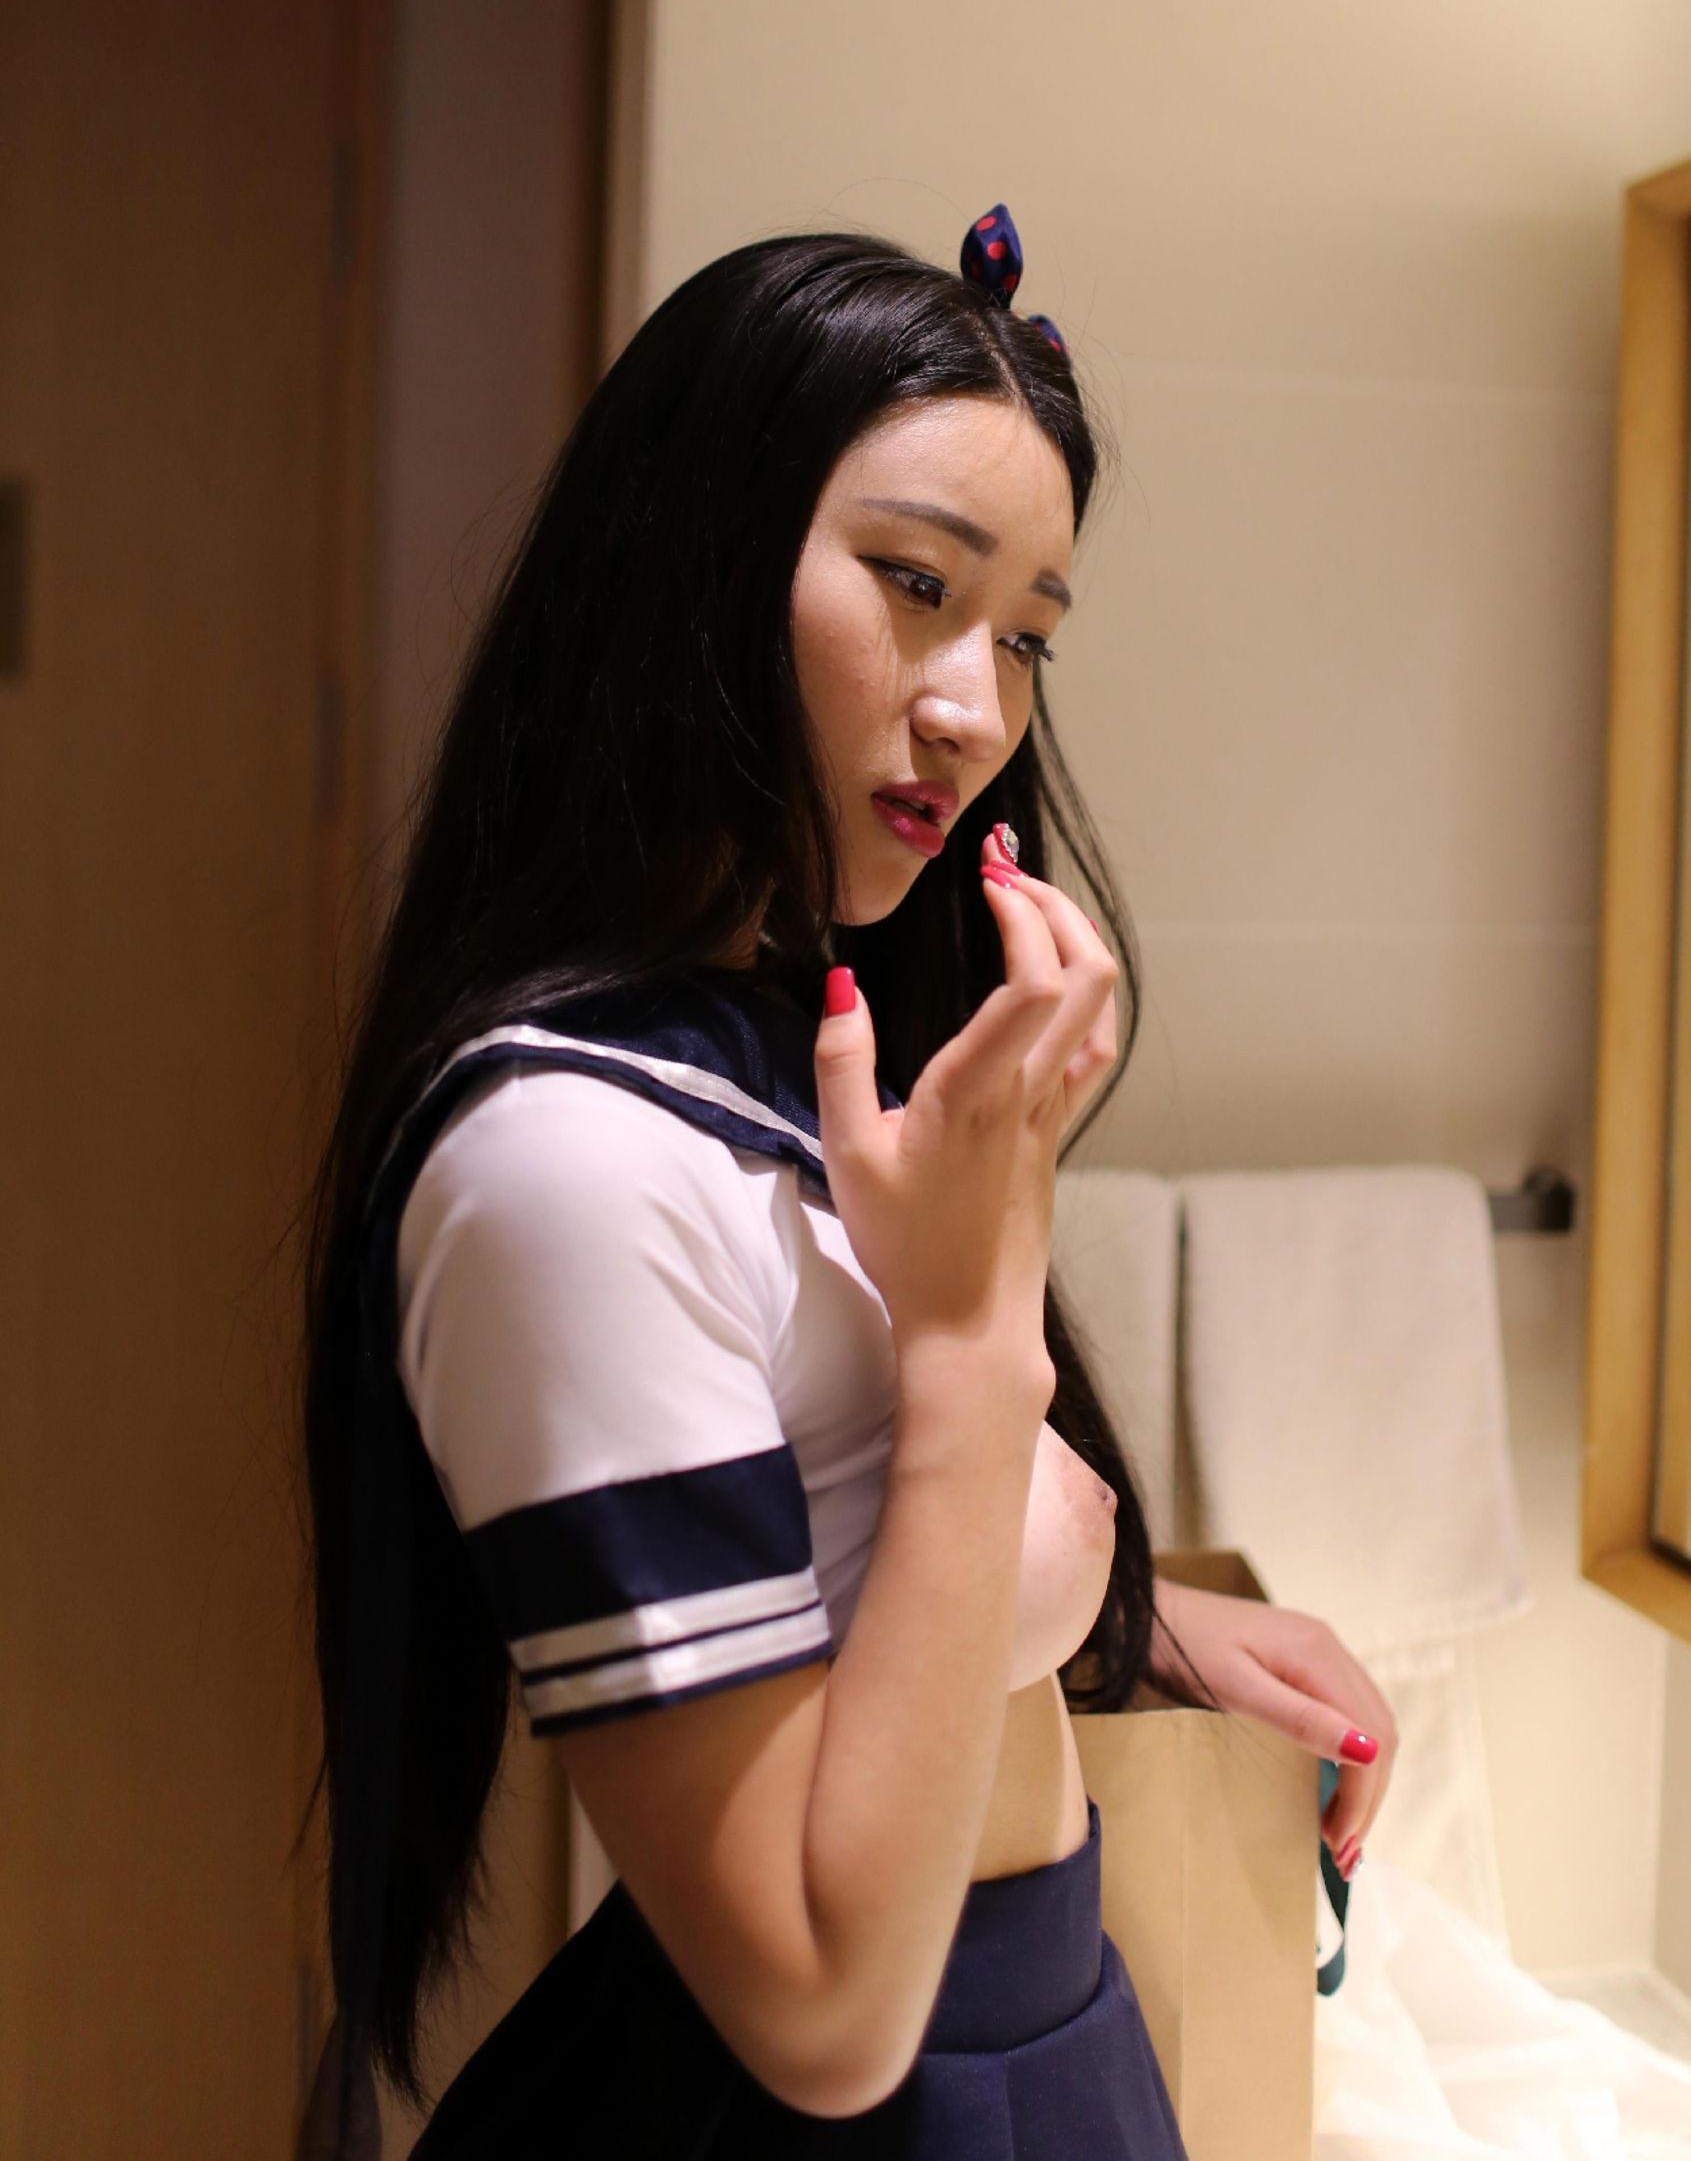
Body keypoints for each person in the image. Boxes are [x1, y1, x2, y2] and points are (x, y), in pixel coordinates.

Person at [295, 206, 1395, 2158]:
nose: (976, 706)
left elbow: (846, 1537)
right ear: (698, 557)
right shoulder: (559, 1160)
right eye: (914, 582)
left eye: (1027, 633)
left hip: (1039, 2036)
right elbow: (817, 2003)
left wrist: (1132, 1616)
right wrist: (976, 1343)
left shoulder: (776, 1046)